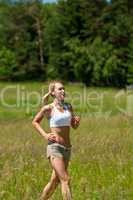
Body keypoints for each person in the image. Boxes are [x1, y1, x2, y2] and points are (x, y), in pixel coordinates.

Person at [32, 81, 80, 200]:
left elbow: (73, 126)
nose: (63, 91)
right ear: (53, 92)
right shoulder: (48, 108)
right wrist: (45, 135)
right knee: (65, 180)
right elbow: (35, 122)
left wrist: (76, 122)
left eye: (63, 89)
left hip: (67, 149)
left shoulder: (68, 106)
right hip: (55, 148)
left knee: (54, 182)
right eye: (60, 89)